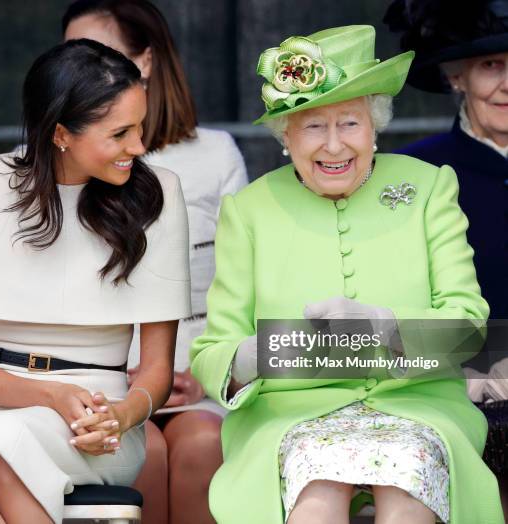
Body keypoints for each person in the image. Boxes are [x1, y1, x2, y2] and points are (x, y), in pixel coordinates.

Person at [190, 25, 505, 524]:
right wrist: (265, 352)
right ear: (285, 136)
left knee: (408, 485)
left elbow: (469, 328)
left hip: (418, 409)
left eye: (350, 124)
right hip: (291, 417)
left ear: (374, 126)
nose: (334, 146)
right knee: (316, 497)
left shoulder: (427, 188)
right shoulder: (248, 210)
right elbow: (212, 353)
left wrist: (381, 325)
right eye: (313, 126)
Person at [0, 39, 190, 524]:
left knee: (0, 449)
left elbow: (156, 372)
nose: (139, 147)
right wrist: (50, 395)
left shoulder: (158, 195)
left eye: (141, 127)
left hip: (98, 411)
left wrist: (122, 415)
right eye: (120, 134)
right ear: (61, 134)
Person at [62, 2, 248, 523]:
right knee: (142, 455)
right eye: (71, 58)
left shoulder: (216, 154)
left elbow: (244, 284)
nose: (82, 75)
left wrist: (205, 375)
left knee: (199, 446)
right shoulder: (50, 158)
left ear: (144, 62)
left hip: (199, 378)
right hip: (94, 384)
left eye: (99, 56)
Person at [384, 0, 508, 321]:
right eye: (491, 65)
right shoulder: (412, 173)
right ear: (457, 76)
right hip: (453, 366)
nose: (507, 85)